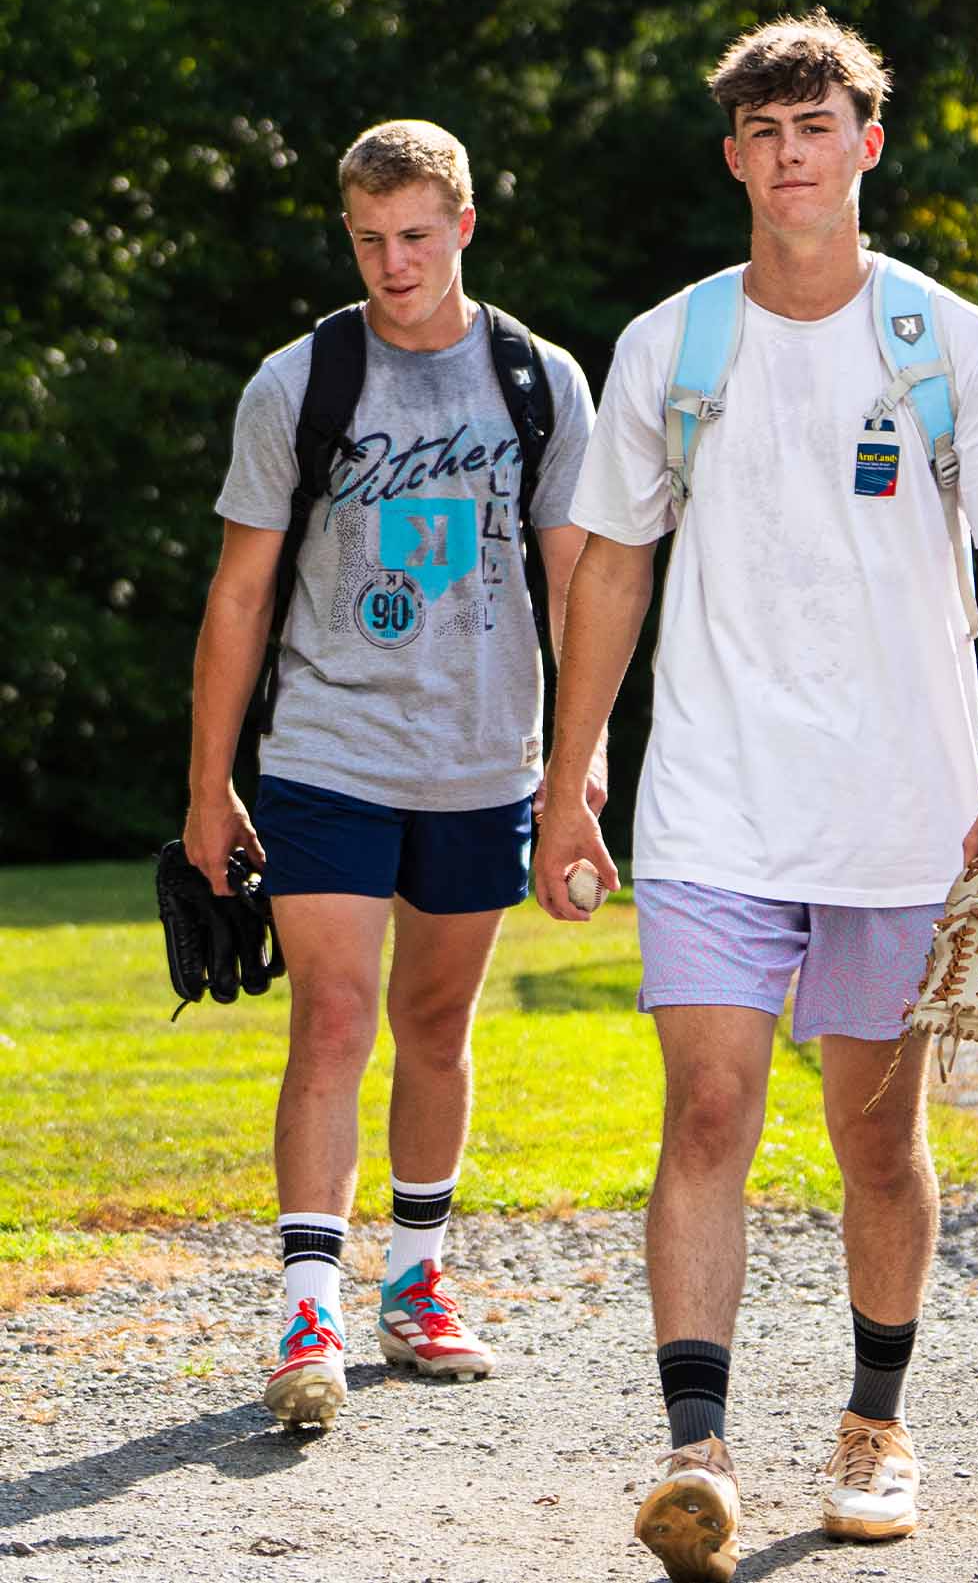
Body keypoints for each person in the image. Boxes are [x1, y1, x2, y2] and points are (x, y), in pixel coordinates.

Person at [534, 8, 978, 1581]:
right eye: (764, 134)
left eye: (816, 129)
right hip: (711, 798)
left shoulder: (947, 341)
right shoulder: (673, 345)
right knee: (707, 1105)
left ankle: (872, 1426)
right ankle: (693, 1453)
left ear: (866, 144)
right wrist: (576, 774)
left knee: (876, 1138)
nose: (791, 157)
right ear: (735, 158)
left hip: (897, 813)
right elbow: (612, 565)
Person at [183, 118, 597, 1429]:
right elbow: (240, 591)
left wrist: (578, 776)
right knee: (333, 1018)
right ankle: (307, 1303)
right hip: (328, 750)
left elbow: (582, 579)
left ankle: (417, 1282)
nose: (393, 261)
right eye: (369, 239)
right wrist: (209, 784)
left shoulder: (539, 380)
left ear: (463, 225)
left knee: (435, 1025)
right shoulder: (299, 381)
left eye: (416, 236)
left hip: (484, 759)